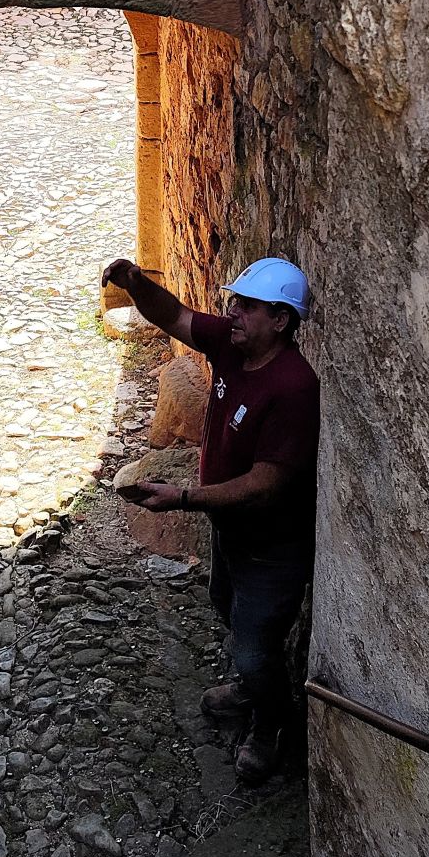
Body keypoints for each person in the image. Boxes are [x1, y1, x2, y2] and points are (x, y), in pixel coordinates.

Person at [101, 254, 320, 784]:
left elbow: (266, 483)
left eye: (247, 306)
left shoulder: (293, 387)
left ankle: (270, 726)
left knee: (253, 645)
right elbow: (174, 316)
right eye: (235, 302)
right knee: (225, 604)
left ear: (281, 320)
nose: (234, 312)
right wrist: (135, 282)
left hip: (274, 545)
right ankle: (252, 689)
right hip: (232, 534)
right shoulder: (232, 345)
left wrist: (181, 498)